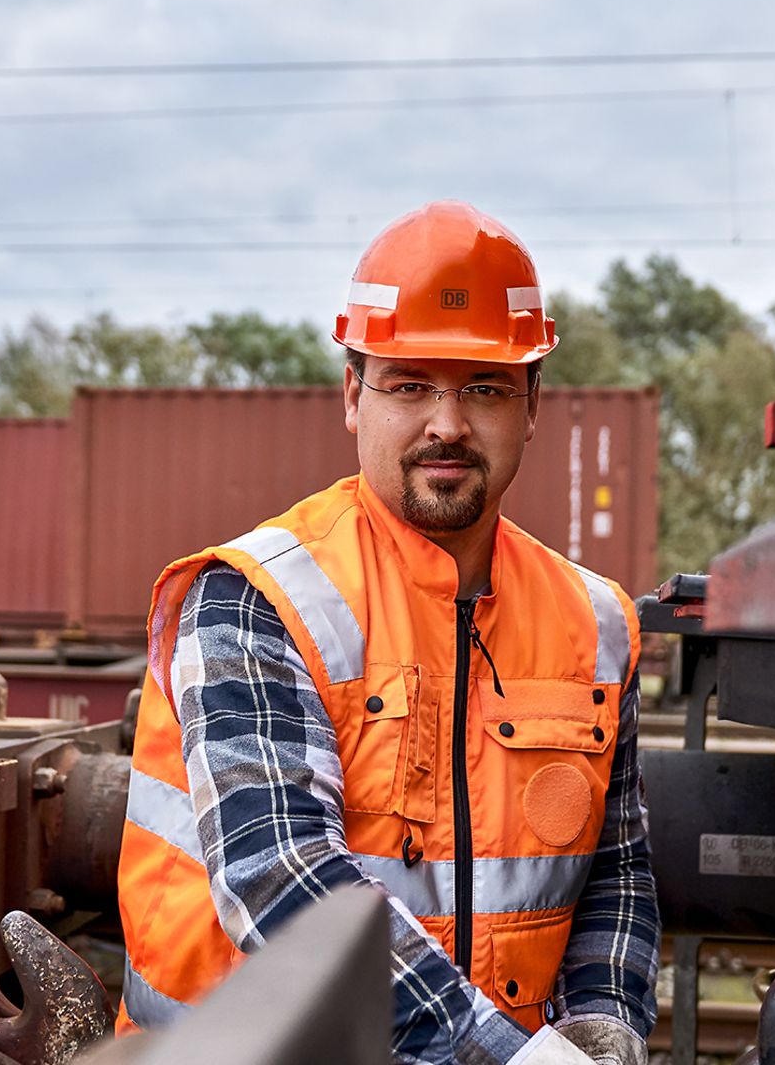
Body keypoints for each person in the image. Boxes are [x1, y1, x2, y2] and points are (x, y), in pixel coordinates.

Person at [116, 200, 659, 1065]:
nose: (447, 422)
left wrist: (604, 1023)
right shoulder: (256, 596)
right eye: (410, 384)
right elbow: (279, 879)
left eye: (483, 387)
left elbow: (615, 873)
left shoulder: (596, 624)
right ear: (352, 396)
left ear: (531, 406)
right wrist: (503, 1058)